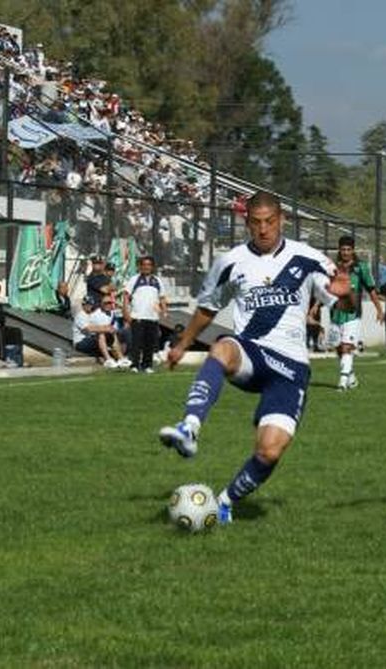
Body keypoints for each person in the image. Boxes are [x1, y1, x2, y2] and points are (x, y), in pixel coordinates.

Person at [158, 191, 353, 525]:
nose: (263, 229)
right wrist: (182, 344)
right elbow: (207, 307)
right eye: (256, 222)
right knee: (223, 347)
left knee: (270, 451)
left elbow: (342, 302)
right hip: (253, 353)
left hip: (291, 367)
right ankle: (189, 428)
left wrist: (345, 295)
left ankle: (223, 504)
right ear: (246, 222)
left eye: (270, 222)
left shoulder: (308, 258)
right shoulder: (230, 262)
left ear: (282, 220)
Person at [326, 235, 383, 391]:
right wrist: (316, 306)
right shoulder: (333, 268)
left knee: (347, 347)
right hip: (335, 313)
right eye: (343, 249)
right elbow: (327, 288)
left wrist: (379, 309)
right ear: (339, 250)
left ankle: (342, 382)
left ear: (353, 250)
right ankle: (351, 378)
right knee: (339, 349)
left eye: (348, 249)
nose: (345, 252)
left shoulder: (361, 267)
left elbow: (371, 289)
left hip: (353, 314)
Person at [123, 255, 167, 373]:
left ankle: (147, 365)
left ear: (152, 267)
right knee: (137, 342)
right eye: (144, 265)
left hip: (152, 316)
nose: (146, 267)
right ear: (140, 266)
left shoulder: (157, 280)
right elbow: (126, 296)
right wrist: (126, 311)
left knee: (150, 343)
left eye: (149, 265)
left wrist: (164, 311)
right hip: (138, 316)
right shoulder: (134, 279)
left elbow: (162, 297)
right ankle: (135, 365)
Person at [72, 294, 120, 368]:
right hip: (80, 342)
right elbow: (89, 329)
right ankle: (108, 360)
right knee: (101, 334)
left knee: (112, 335)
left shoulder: (92, 315)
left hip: (91, 339)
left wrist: (109, 329)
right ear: (83, 305)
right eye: (87, 304)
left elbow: (99, 326)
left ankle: (121, 358)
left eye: (91, 304)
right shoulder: (80, 316)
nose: (89, 306)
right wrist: (106, 328)